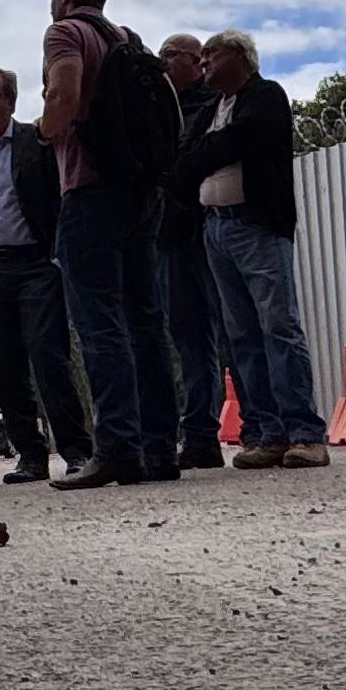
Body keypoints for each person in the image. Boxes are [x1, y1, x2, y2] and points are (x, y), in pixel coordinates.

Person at [36, 0, 180, 486]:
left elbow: (64, 94)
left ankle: (117, 447)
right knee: (146, 320)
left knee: (100, 324)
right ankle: (160, 448)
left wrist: (45, 130)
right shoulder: (129, 39)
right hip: (141, 192)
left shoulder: (65, 32)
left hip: (90, 190)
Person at [182, 29, 325, 466]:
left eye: (212, 53)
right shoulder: (212, 109)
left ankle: (305, 432)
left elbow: (242, 140)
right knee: (241, 335)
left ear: (241, 56)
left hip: (256, 227)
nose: (203, 61)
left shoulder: (265, 96)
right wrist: (207, 152)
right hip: (216, 230)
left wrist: (206, 152)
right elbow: (186, 160)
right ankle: (267, 433)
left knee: (278, 326)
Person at [0, 65, 88, 485]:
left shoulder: (36, 140)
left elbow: (56, 198)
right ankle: (29, 455)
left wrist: (55, 259)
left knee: (49, 357)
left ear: (11, 101)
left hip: (34, 266)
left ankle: (77, 451)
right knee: (4, 365)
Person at [154, 31, 228, 471]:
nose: (163, 63)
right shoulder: (163, 108)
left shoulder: (212, 107)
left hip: (205, 231)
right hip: (170, 238)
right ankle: (199, 433)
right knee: (189, 337)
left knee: (231, 331)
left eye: (169, 55)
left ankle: (256, 425)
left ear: (194, 60)